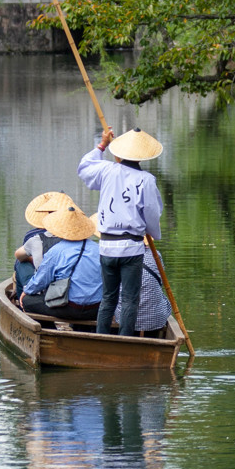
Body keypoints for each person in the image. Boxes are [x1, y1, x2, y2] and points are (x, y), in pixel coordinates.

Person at [78, 127, 163, 336]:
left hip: (106, 246)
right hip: (131, 249)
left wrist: (102, 145)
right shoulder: (146, 180)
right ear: (141, 157)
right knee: (129, 299)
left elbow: (85, 167)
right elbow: (152, 212)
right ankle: (125, 341)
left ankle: (101, 338)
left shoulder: (107, 170)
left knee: (108, 297)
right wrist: (152, 232)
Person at [20, 205, 103, 321]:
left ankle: (48, 329)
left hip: (69, 308)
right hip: (97, 309)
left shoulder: (57, 251)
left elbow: (40, 280)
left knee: (28, 301)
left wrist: (26, 292)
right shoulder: (98, 249)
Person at [13, 191, 74, 296]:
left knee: (20, 264)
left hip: (50, 290)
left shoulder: (35, 237)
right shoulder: (79, 238)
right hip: (73, 287)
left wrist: (34, 259)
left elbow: (18, 257)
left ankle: (21, 303)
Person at [113, 247, 172, 337]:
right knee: (163, 298)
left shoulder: (117, 255)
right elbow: (161, 280)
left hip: (124, 317)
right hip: (155, 319)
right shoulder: (155, 254)